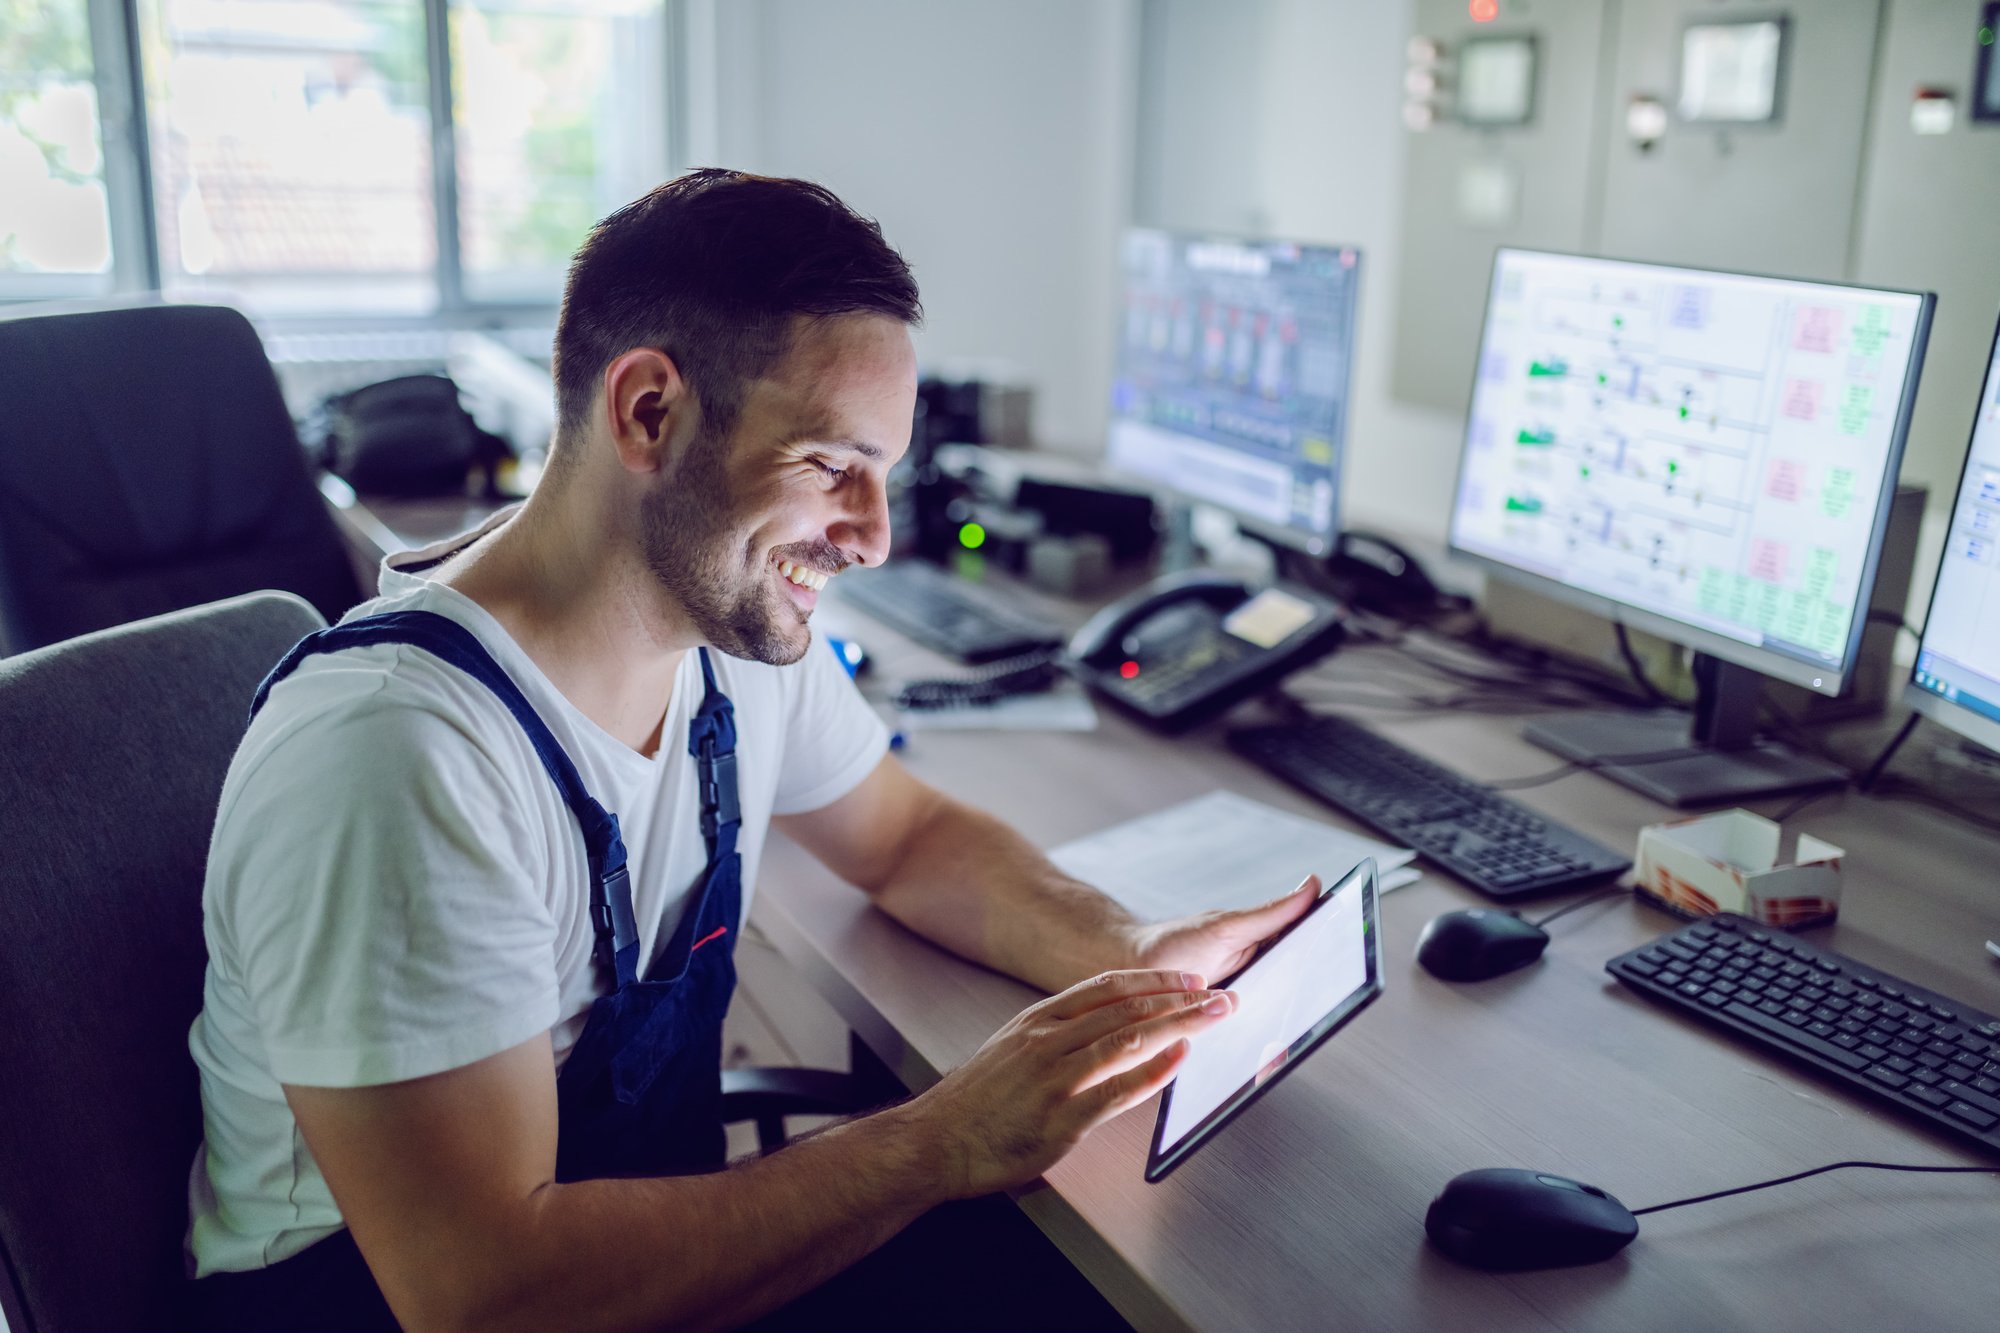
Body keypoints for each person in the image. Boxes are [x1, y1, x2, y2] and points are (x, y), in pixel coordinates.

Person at [185, 169, 1316, 1331]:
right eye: (831, 466)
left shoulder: (729, 637)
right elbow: (487, 1299)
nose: (872, 537)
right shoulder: (400, 757)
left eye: (885, 475)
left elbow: (906, 838)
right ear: (648, 413)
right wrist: (939, 1137)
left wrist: (1134, 953)